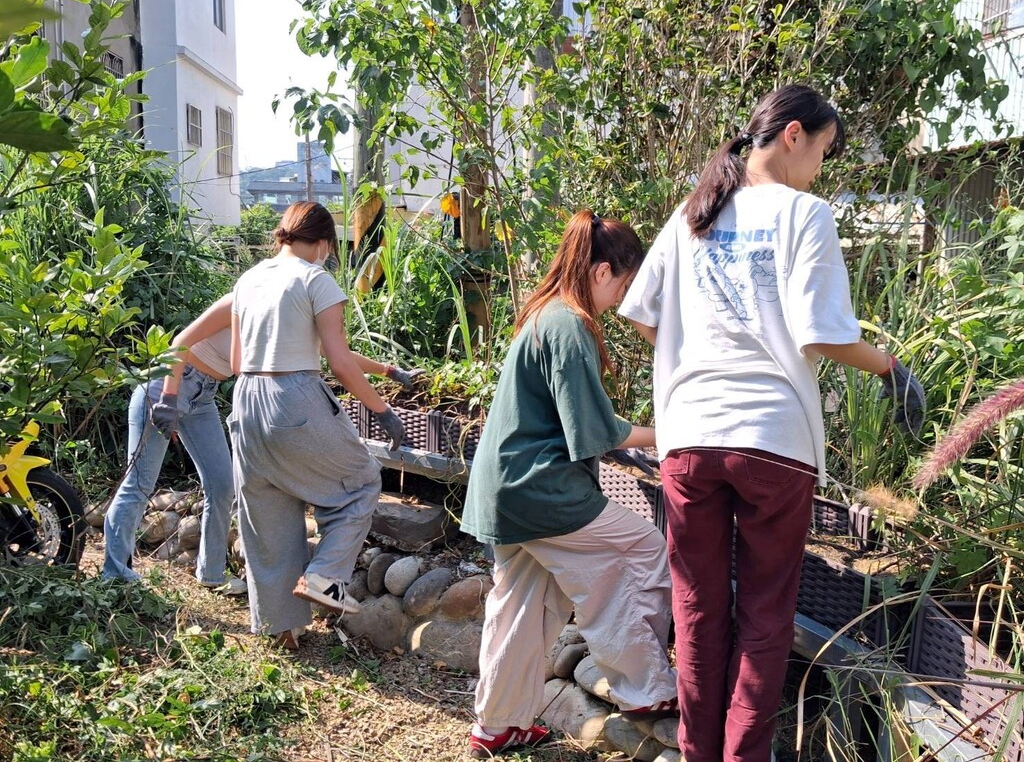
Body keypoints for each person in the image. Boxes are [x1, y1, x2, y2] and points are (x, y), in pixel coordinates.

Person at [619, 85, 926, 762]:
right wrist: (890, 369)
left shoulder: (693, 212)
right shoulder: (804, 214)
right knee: (764, 616)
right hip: (772, 442)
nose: (820, 167)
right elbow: (823, 334)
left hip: (689, 437)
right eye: (824, 149)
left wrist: (696, 359)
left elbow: (641, 313)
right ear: (792, 135)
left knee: (697, 611)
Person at [461, 210, 679, 759]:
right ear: (603, 271)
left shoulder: (545, 313)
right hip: (541, 490)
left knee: (522, 605)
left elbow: (578, 422)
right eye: (624, 285)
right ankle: (647, 689)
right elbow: (594, 431)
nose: (623, 298)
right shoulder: (570, 325)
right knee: (642, 550)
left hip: (503, 489)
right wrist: (676, 433)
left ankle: (497, 726)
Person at [102, 293, 421, 592]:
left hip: (202, 397)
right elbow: (181, 342)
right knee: (139, 484)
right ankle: (115, 574)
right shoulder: (239, 300)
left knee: (222, 485)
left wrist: (390, 371)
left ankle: (211, 573)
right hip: (165, 387)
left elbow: (337, 354)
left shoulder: (287, 321)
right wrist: (169, 399)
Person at [228, 201, 406, 650]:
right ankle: (325, 577)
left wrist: (384, 369)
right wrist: (382, 411)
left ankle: (281, 630)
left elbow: (236, 360)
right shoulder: (315, 279)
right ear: (325, 243)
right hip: (295, 398)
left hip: (246, 398)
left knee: (267, 512)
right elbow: (338, 361)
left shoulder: (249, 279)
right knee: (360, 482)